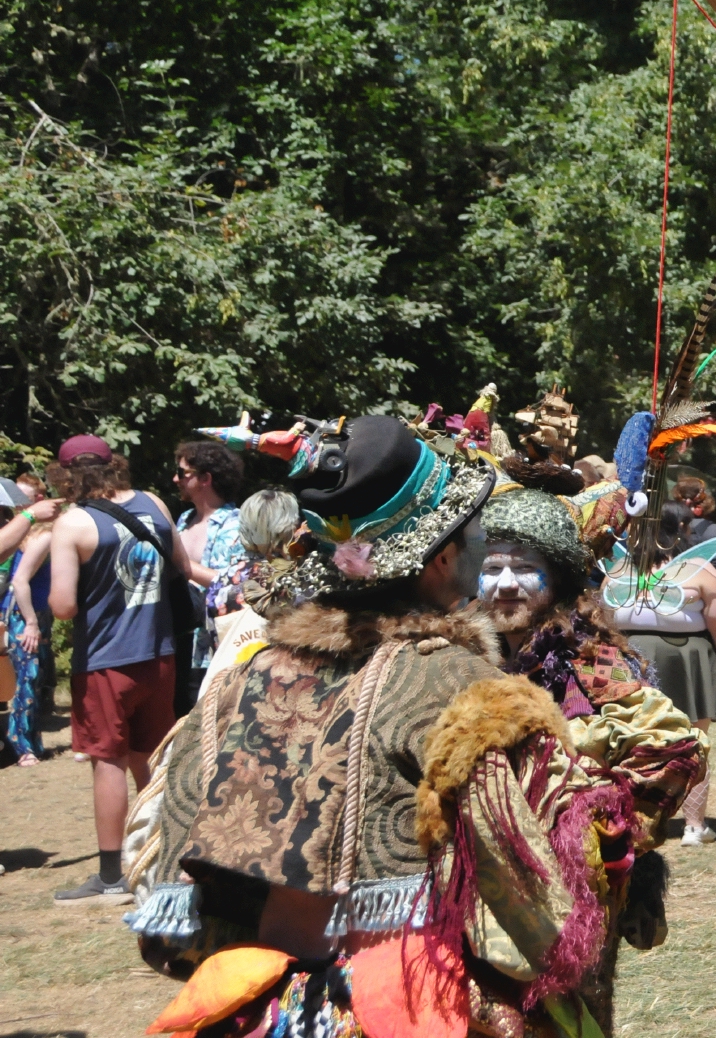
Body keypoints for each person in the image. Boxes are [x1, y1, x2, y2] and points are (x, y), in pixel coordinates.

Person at [123, 414, 636, 1035]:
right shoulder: (455, 683)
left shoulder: (249, 675)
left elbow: (168, 859)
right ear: (442, 555)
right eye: (471, 533)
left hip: (263, 1006)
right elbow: (528, 883)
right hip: (401, 1002)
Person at [476, 479, 709, 1031]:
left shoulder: (586, 657)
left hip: (566, 894)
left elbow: (675, 749)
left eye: (523, 568)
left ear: (555, 578)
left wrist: (595, 836)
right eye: (491, 568)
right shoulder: (467, 652)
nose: (505, 584)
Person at [46, 434, 211, 903]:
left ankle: (112, 874)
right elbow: (182, 566)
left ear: (66, 474)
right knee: (153, 759)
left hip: (104, 661)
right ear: (113, 463)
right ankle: (169, 853)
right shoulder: (153, 504)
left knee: (108, 761)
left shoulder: (73, 523)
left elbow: (61, 606)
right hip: (159, 655)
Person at [606, 500, 716, 846]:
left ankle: (636, 820)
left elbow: (601, 618)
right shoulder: (698, 569)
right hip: (685, 658)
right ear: (681, 529)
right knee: (693, 740)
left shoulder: (617, 569)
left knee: (634, 742)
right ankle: (694, 827)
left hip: (630, 658)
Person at [198, 489, 301, 690]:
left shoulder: (221, 582)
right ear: (289, 528)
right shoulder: (296, 579)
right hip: (285, 688)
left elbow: (214, 642)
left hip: (232, 687)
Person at [172, 439, 245, 709]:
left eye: (182, 473)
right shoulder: (183, 520)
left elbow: (236, 585)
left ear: (205, 478)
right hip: (179, 643)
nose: (175, 479)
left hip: (211, 651)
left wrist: (183, 566)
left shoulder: (236, 524)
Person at [4, 512, 55, 764]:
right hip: (24, 617)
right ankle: (20, 743)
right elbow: (19, 581)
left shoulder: (47, 536)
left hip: (37, 615)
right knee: (26, 679)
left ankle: (33, 741)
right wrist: (31, 623)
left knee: (36, 681)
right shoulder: (46, 536)